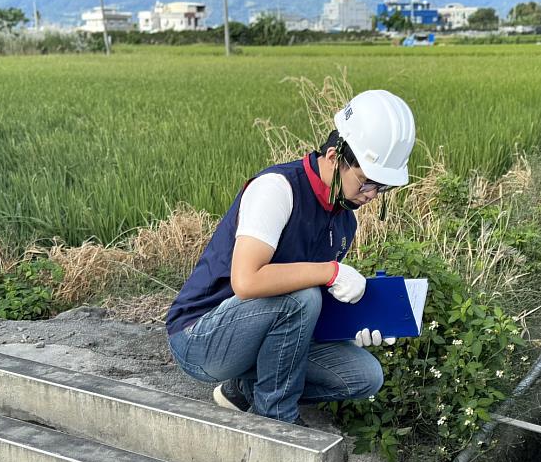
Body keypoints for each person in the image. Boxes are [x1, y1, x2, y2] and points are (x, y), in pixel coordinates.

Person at [165, 90, 416, 425]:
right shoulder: (277, 189)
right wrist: (330, 271)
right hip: (202, 337)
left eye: (382, 187)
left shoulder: (344, 219)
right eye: (368, 181)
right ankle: (278, 420)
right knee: (301, 297)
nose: (371, 195)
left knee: (364, 375)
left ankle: (243, 389)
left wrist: (357, 324)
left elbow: (305, 312)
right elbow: (247, 281)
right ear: (333, 155)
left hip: (257, 333)